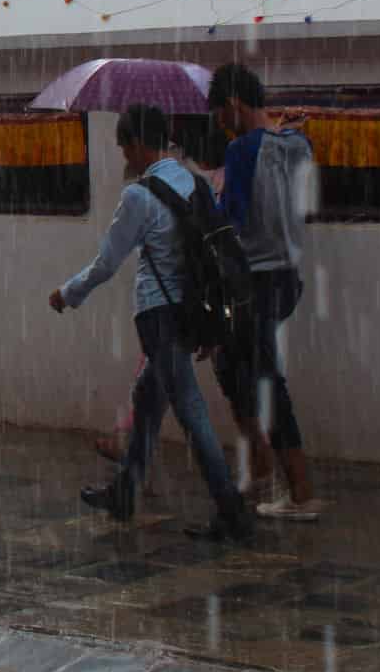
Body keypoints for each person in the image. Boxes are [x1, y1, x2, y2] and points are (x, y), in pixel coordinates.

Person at [50, 104, 254, 542]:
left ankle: (231, 509)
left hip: (160, 315)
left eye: (124, 145)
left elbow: (107, 262)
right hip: (190, 311)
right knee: (147, 400)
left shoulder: (139, 196)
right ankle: (125, 491)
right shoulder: (192, 183)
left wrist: (67, 294)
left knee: (192, 413)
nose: (124, 155)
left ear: (139, 145)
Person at [209, 63, 321, 521]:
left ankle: (298, 489)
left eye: (218, 113)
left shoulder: (239, 151)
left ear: (234, 105)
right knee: (232, 361)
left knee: (263, 377)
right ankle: (261, 462)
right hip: (287, 276)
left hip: (253, 278)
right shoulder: (294, 144)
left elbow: (229, 220)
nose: (218, 123)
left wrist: (208, 197)